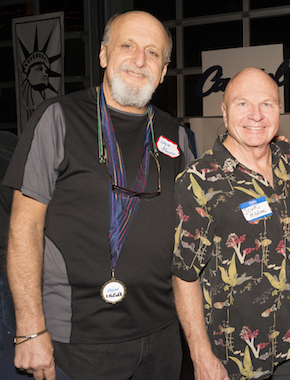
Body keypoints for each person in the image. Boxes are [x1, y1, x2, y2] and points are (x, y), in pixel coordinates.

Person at [3, 11, 194, 379]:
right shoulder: (57, 118)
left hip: (162, 334)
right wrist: (29, 328)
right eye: (128, 46)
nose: (140, 60)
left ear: (164, 71)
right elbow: (24, 227)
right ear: (104, 54)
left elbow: (199, 215)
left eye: (153, 53)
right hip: (80, 340)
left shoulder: (176, 135)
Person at [172, 67, 290, 380]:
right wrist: (200, 355)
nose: (256, 115)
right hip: (234, 360)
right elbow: (184, 275)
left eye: (267, 104)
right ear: (224, 112)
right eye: (242, 104)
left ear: (279, 110)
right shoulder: (199, 182)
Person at [0, 131, 18, 359]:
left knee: (7, 343)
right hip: (10, 258)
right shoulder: (10, 141)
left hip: (6, 262)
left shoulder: (8, 142)